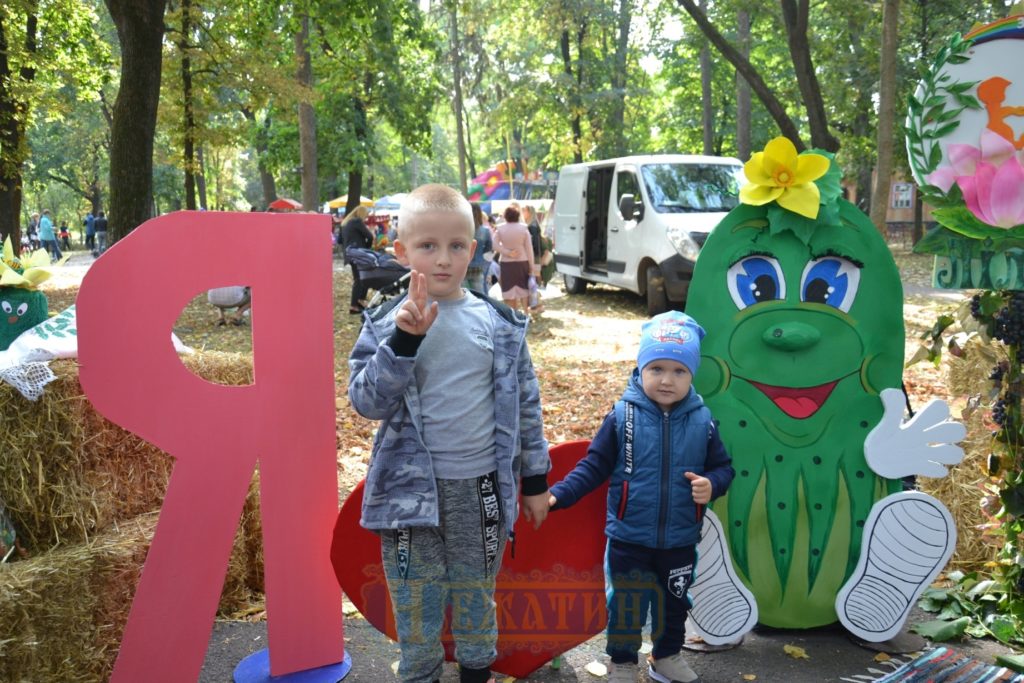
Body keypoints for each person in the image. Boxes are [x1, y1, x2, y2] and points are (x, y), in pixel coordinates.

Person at [348, 183, 551, 683]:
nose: (443, 259)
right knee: (415, 600)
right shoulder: (382, 323)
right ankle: (420, 674)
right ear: (401, 251)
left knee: (476, 593)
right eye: (427, 246)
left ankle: (477, 672)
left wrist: (537, 480)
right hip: (407, 496)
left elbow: (526, 405)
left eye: (456, 246)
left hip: (479, 490)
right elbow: (366, 402)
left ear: (474, 249)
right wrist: (403, 341)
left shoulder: (500, 324)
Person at [547, 311, 735, 683]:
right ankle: (623, 662)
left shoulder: (703, 421)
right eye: (657, 368)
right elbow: (593, 467)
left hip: (680, 537)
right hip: (628, 536)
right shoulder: (621, 417)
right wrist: (558, 495)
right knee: (626, 605)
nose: (667, 379)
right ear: (641, 369)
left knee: (674, 604)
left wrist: (713, 484)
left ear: (692, 375)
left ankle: (665, 657)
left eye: (679, 371)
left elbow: (724, 468)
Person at [493, 206, 534, 315]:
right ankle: (526, 313)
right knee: (524, 289)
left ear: (506, 216)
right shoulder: (524, 228)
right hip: (522, 262)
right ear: (518, 216)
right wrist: (532, 266)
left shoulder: (500, 228)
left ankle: (513, 315)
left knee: (509, 290)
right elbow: (529, 249)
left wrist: (507, 252)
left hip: (506, 263)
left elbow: (494, 245)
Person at [341, 205, 374, 314]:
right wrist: (367, 248)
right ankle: (355, 304)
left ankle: (358, 302)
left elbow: (340, 240)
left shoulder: (345, 223)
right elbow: (369, 236)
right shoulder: (357, 222)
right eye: (366, 215)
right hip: (358, 253)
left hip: (349, 253)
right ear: (362, 214)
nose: (365, 218)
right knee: (362, 278)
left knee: (360, 278)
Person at [463, 202, 492, 293]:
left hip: (462, 267)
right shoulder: (485, 231)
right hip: (478, 267)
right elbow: (489, 251)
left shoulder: (461, 229)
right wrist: (485, 266)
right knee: (480, 296)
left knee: (463, 296)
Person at [521, 205, 544, 313]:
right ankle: (536, 304)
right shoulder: (533, 224)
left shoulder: (532, 226)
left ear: (529, 212)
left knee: (532, 282)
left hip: (533, 257)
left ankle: (536, 305)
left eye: (524, 210)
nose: (522, 212)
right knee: (533, 282)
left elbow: (534, 244)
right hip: (535, 256)